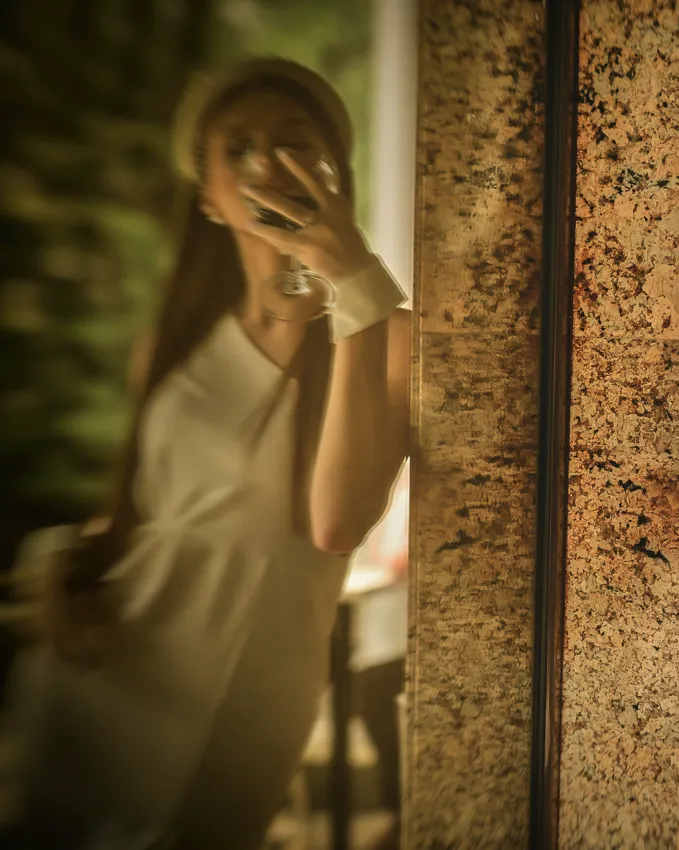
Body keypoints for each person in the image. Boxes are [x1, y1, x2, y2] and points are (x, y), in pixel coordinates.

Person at [5, 58, 409, 849]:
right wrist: (68, 558)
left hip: (244, 691)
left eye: (296, 144)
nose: (269, 164)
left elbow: (335, 526)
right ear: (209, 198)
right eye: (241, 148)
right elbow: (138, 516)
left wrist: (352, 281)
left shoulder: (386, 332)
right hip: (107, 666)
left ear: (333, 176)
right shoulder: (174, 338)